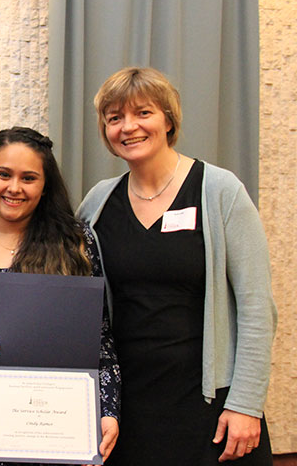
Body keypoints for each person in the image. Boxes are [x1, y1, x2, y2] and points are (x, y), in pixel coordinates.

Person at [77, 66, 277, 465]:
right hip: (127, 407)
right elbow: (77, 302)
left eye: (143, 113)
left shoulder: (220, 191)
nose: (128, 127)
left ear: (168, 119)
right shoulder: (97, 203)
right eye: (114, 118)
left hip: (208, 404)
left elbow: (258, 309)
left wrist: (246, 404)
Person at [0, 126, 121, 466]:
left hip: (65, 424)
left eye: (29, 178)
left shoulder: (76, 244)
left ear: (45, 185)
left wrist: (107, 411)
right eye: (4, 174)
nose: (14, 188)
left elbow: (100, 338)